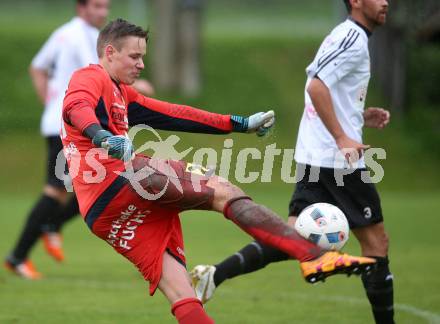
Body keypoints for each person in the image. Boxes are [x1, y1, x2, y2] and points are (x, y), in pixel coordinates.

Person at [61, 18, 375, 324]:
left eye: (143, 56)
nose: (141, 64)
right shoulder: (91, 76)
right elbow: (76, 107)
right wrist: (102, 137)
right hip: (121, 179)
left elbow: (176, 114)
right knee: (223, 191)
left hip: (102, 212)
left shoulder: (122, 93)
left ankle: (309, 259)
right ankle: (314, 257)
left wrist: (237, 123)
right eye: (135, 56)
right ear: (110, 53)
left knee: (182, 292)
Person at [191, 1, 394, 323]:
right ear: (355, 2)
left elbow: (323, 87)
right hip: (336, 160)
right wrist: (343, 137)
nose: (386, 2)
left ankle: (214, 275)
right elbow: (315, 85)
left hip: (319, 155)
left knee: (291, 237)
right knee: (375, 242)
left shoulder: (348, 35)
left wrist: (357, 116)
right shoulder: (351, 37)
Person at [4, 0, 155, 279]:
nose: (103, 12)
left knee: (89, 183)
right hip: (75, 125)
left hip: (65, 122)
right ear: (81, 7)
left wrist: (50, 104)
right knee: (59, 189)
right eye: (96, 6)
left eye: (105, 6)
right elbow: (106, 75)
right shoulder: (82, 37)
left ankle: (48, 228)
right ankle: (21, 253)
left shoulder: (64, 32)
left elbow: (37, 67)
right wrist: (140, 88)